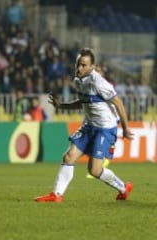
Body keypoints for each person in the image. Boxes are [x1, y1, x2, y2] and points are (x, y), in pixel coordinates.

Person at [34, 48, 134, 203]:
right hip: (89, 125)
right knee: (68, 157)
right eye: (78, 65)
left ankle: (123, 187)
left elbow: (118, 102)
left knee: (94, 170)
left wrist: (126, 128)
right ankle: (56, 195)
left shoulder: (98, 82)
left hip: (105, 128)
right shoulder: (78, 81)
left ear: (91, 67)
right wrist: (62, 106)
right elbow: (83, 102)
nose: (79, 68)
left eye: (83, 65)